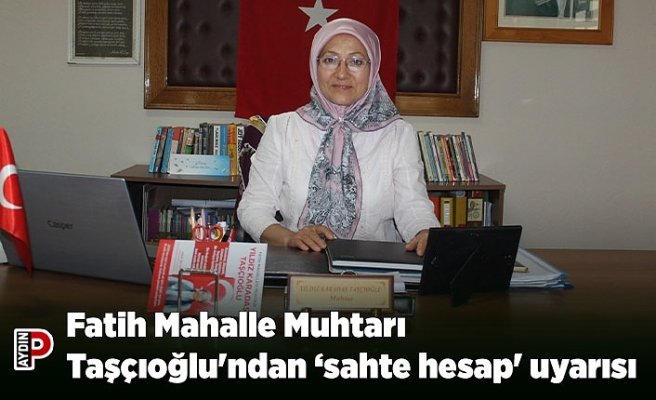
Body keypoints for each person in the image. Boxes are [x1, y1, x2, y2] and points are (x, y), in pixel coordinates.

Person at [237, 18, 439, 256]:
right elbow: (253, 207)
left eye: (356, 61)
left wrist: (424, 232)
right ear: (315, 66)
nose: (341, 73)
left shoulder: (397, 134)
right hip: (298, 264)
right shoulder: (284, 127)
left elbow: (413, 207)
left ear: (373, 69)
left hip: (374, 267)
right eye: (330, 60)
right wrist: (290, 238)